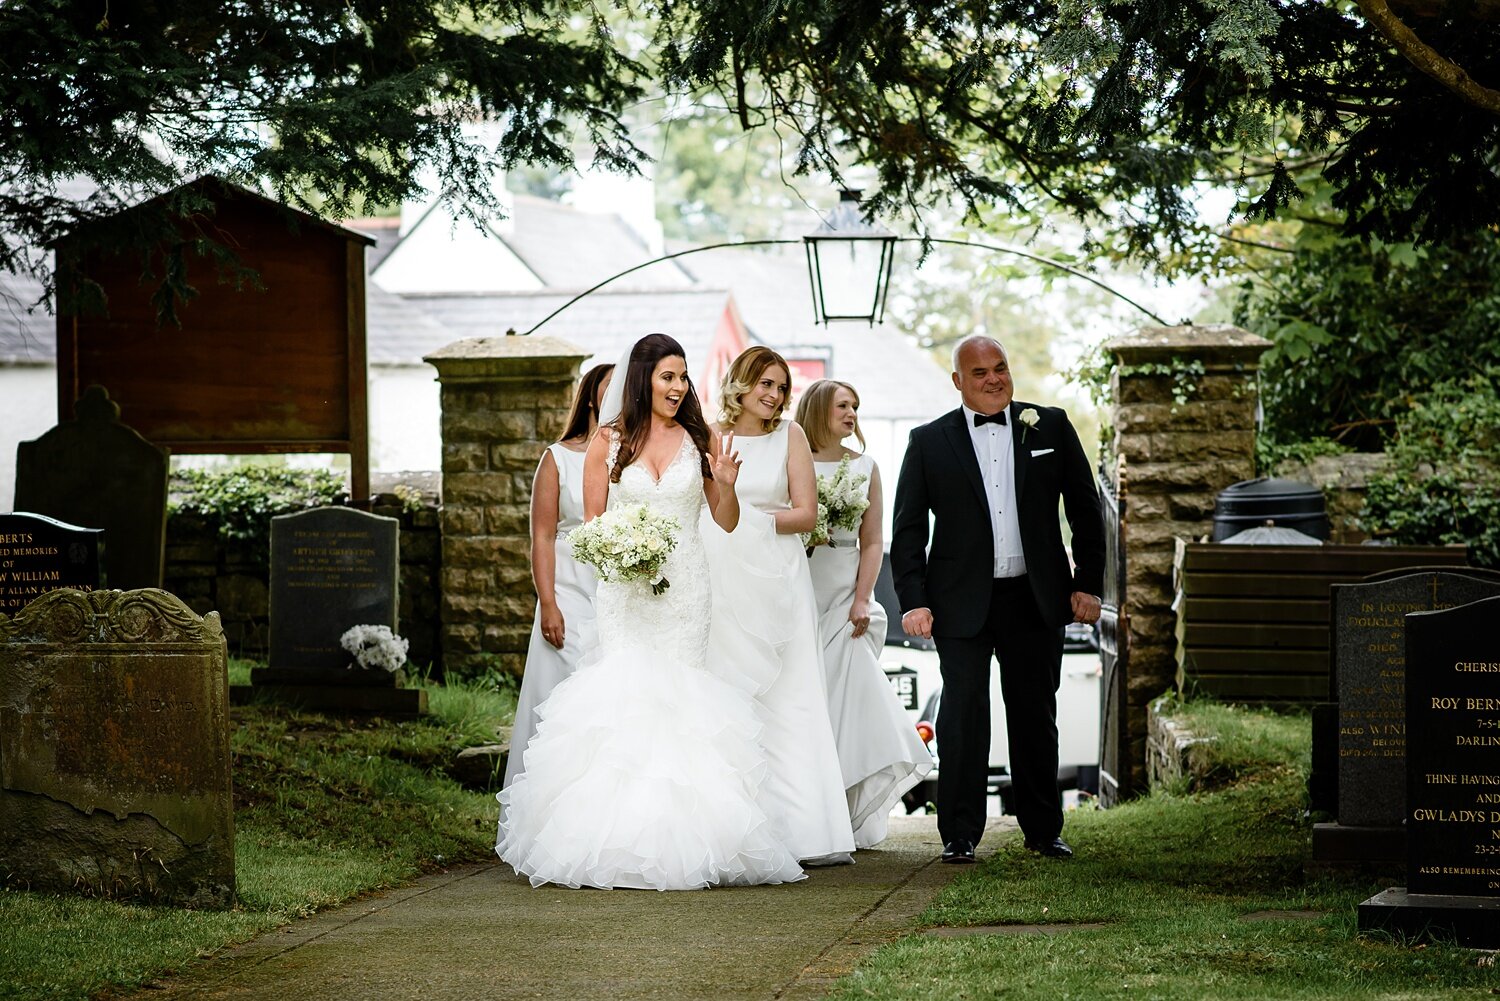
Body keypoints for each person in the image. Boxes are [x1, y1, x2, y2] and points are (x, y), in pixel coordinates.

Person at [497, 334, 804, 891]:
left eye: (683, 377)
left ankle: (688, 841)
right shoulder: (608, 442)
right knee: (626, 694)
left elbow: (726, 521)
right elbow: (591, 528)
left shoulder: (701, 437)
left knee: (682, 697)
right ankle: (612, 842)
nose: (678, 387)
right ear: (643, 379)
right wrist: (625, 552)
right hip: (625, 590)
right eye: (668, 376)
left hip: (687, 586)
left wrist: (728, 486)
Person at [890, 335, 1104, 863]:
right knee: (962, 716)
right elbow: (909, 529)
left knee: (1034, 713)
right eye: (979, 372)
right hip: (959, 601)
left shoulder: (1048, 425)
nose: (993, 379)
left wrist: (1088, 584)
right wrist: (914, 601)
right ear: (958, 381)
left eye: (1000, 368)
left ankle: (1042, 829)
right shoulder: (928, 441)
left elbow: (1084, 508)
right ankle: (959, 834)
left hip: (1035, 597)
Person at [703, 347, 856, 865]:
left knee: (787, 692)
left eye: (780, 386)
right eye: (764, 384)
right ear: (740, 384)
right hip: (723, 573)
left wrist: (752, 521)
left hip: (780, 577)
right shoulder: (709, 434)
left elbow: (807, 515)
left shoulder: (789, 436)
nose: (773, 395)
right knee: (730, 686)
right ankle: (733, 828)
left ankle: (802, 831)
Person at [798, 379, 933, 848]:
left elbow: (873, 539)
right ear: (818, 409)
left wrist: (863, 597)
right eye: (842, 405)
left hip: (844, 596)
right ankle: (808, 806)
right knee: (806, 698)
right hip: (798, 588)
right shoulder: (790, 460)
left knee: (848, 697)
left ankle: (846, 805)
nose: (852, 413)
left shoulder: (866, 467)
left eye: (855, 406)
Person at [501, 363, 613, 796]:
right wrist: (548, 602)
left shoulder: (633, 454)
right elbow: (543, 535)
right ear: (590, 397)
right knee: (561, 691)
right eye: (611, 387)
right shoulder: (558, 457)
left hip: (616, 586)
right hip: (568, 585)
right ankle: (547, 798)